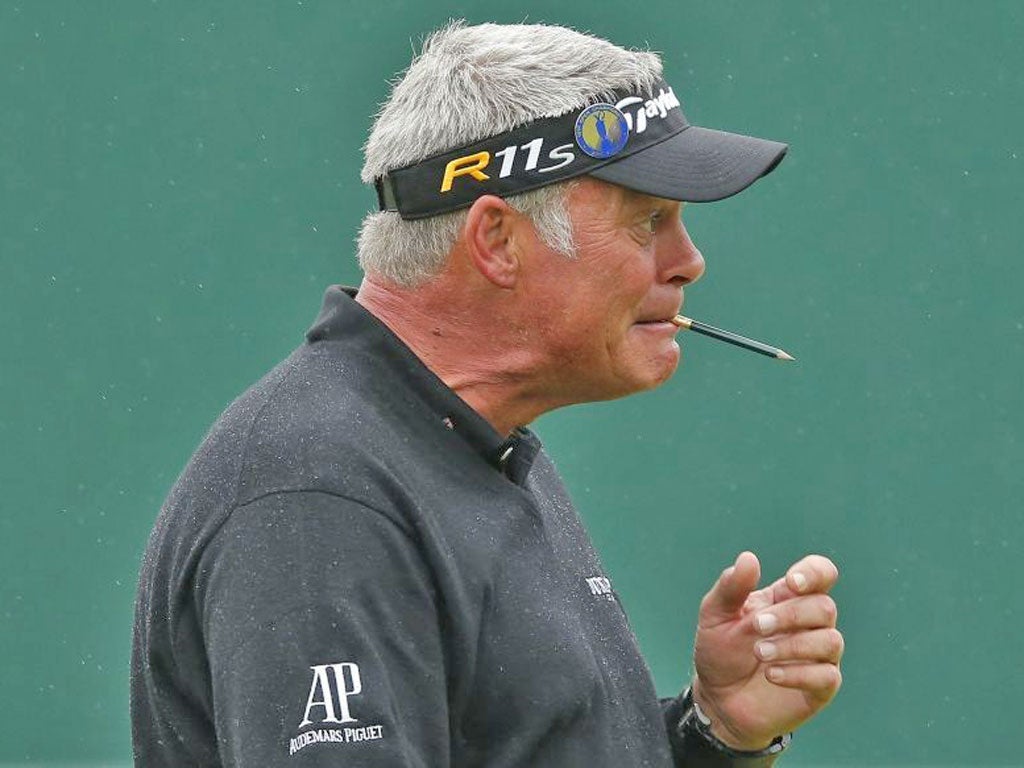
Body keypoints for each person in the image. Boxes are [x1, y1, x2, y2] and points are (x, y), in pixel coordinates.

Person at [131, 21, 843, 767]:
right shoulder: (321, 492)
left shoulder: (464, 444)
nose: (687, 262)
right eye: (648, 222)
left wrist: (713, 735)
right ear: (497, 240)